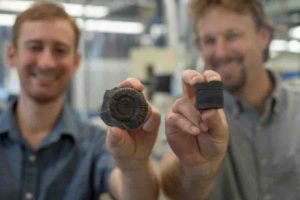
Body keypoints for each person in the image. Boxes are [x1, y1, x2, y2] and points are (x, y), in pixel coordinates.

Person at [0, 2, 160, 200]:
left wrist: (134, 167)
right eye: (35, 47)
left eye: (60, 50)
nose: (46, 63)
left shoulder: (97, 143)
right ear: (11, 55)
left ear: (75, 62)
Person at [160, 0, 300, 200]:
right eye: (209, 40)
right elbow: (174, 191)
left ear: (264, 36)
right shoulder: (191, 115)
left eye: (232, 36)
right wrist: (194, 170)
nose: (221, 52)